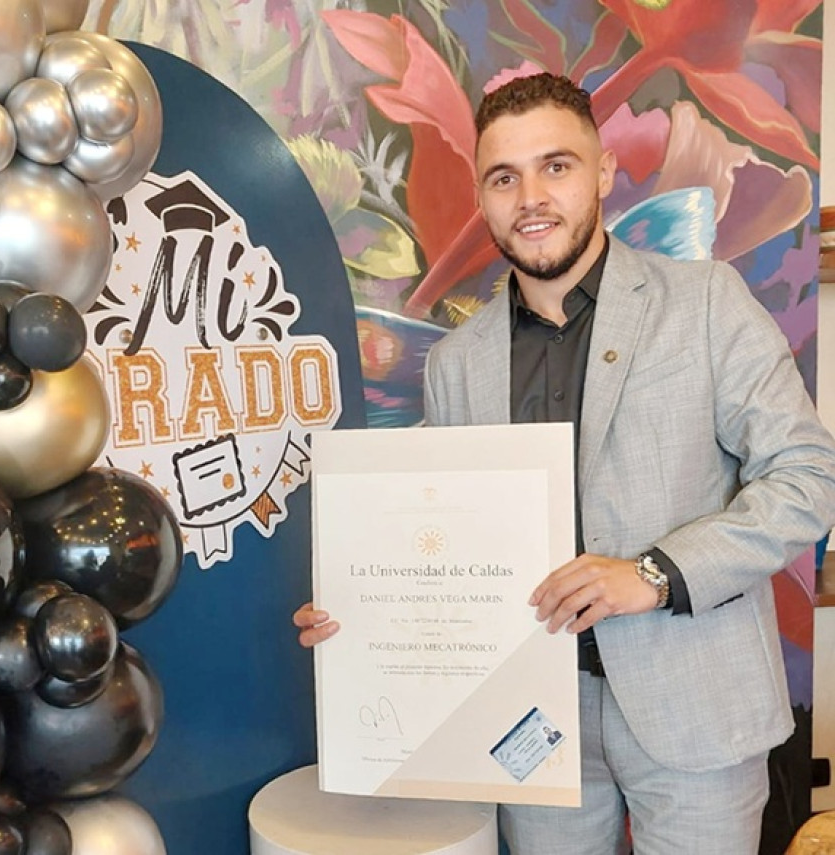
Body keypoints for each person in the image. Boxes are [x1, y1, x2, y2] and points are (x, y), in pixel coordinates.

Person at [294, 73, 835, 854]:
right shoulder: (455, 364)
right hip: (530, 721)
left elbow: (806, 477)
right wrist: (365, 616)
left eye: (557, 166)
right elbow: (443, 539)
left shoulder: (705, 301)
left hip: (693, 705)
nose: (531, 197)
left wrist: (652, 572)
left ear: (604, 172)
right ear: (482, 197)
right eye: (504, 177)